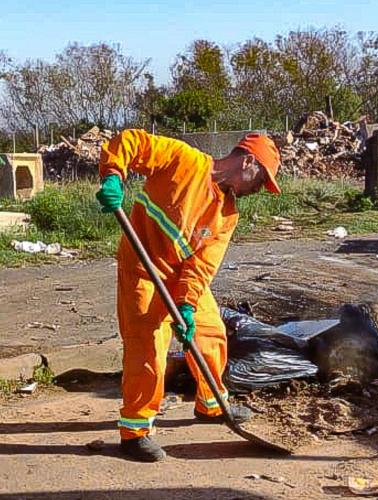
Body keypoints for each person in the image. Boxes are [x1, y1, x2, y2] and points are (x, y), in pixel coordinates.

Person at [95, 129, 281, 462]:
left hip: (179, 277)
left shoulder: (227, 213)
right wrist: (113, 176)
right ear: (248, 161)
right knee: (148, 346)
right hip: (142, 268)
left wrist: (187, 305)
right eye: (261, 179)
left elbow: (202, 264)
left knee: (211, 332)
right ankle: (135, 430)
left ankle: (211, 404)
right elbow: (130, 142)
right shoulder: (184, 160)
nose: (259, 189)